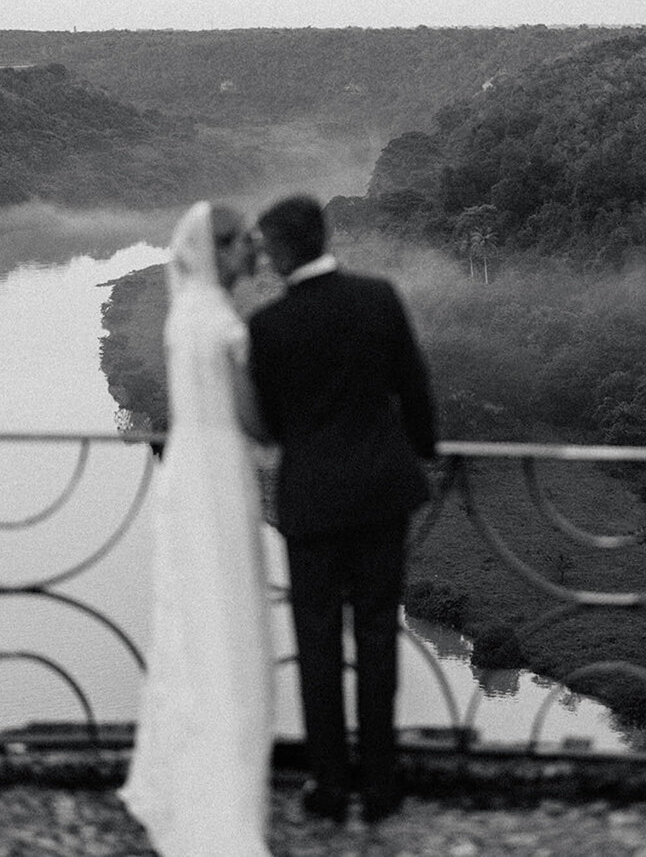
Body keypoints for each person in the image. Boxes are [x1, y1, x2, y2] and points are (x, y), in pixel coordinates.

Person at [247, 194, 437, 826]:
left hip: (313, 504)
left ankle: (329, 786)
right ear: (324, 238)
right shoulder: (378, 296)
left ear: (278, 251)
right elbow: (414, 388)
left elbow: (271, 424)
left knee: (319, 645)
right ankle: (380, 785)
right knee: (379, 635)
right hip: (384, 492)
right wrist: (427, 454)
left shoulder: (267, 326)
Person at [119, 201, 274, 857]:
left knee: (188, 612)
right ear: (222, 249)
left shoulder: (184, 314)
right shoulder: (223, 324)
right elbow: (256, 422)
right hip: (219, 475)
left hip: (184, 471)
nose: (254, 254)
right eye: (245, 244)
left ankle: (180, 768)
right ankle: (221, 791)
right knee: (226, 613)